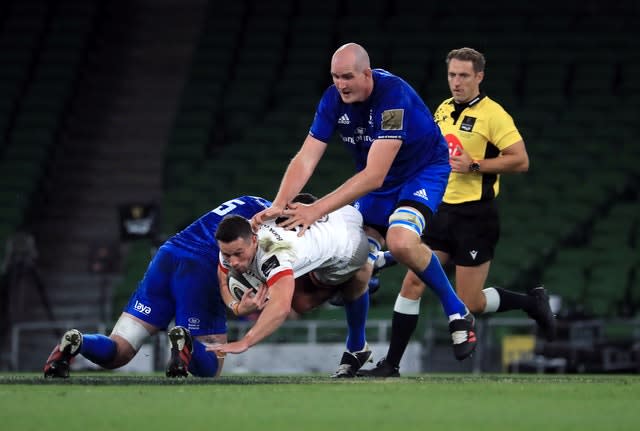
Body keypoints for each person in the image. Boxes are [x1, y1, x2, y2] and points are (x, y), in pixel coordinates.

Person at [252, 42, 476, 361]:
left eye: (347, 77)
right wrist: (279, 202)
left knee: (400, 240)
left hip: (420, 172)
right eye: (335, 77)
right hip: (378, 176)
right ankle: (357, 347)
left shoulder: (392, 96)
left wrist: (316, 209)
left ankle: (457, 312)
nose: (340, 84)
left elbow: (374, 177)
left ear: (367, 74)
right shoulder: (332, 100)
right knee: (357, 266)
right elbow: (306, 158)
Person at [359, 47, 557, 377]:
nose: (456, 81)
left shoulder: (494, 115)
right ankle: (391, 365)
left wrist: (475, 164)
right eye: (452, 75)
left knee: (472, 301)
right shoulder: (442, 110)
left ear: (479, 76)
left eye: (464, 75)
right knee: (411, 284)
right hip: (442, 212)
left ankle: (531, 303)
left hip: (475, 218)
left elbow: (520, 160)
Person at [43, 195, 273, 379]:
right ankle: (187, 342)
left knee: (120, 350)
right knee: (211, 367)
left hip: (168, 254)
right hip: (201, 265)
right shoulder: (280, 222)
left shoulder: (248, 200)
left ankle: (79, 341)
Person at [209, 193, 373, 378]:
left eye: (239, 254)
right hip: (331, 219)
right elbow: (223, 280)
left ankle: (365, 269)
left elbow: (281, 307)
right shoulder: (238, 238)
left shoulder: (274, 255)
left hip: (348, 248)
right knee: (288, 287)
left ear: (254, 240)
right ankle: (366, 271)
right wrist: (236, 307)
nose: (234, 262)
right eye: (227, 255)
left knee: (302, 303)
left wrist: (245, 341)